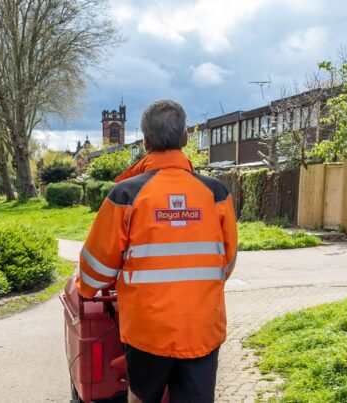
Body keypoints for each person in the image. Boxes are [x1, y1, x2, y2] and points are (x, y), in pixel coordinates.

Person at [76, 100, 238, 403]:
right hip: (201, 326)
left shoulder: (126, 194)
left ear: (146, 141)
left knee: (141, 398)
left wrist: (84, 288)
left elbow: (97, 266)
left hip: (148, 331)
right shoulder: (216, 193)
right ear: (186, 139)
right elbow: (226, 264)